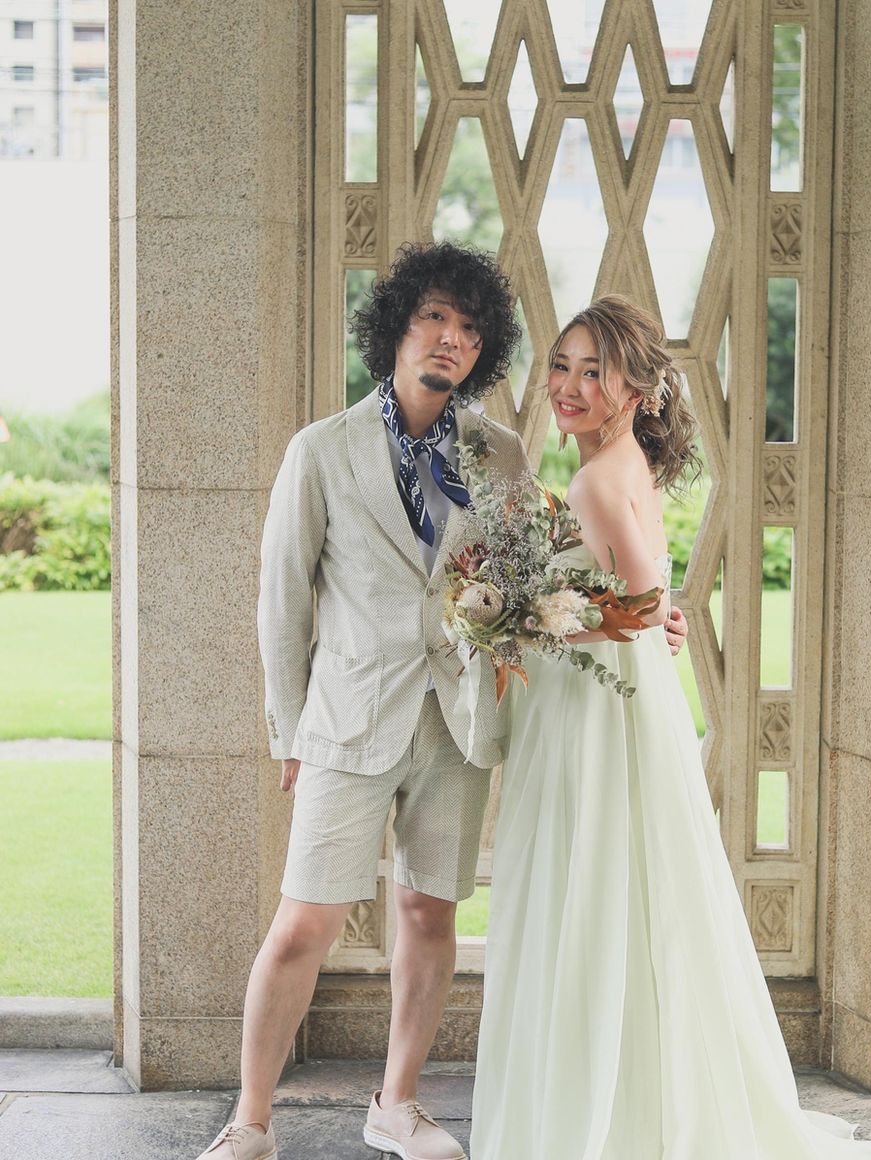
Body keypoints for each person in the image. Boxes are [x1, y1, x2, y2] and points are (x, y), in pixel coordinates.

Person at [470, 296, 871, 1159]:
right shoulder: (622, 464)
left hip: (593, 723)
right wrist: (598, 611)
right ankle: (627, 1096)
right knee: (624, 892)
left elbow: (639, 605)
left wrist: (522, 617)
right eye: (561, 365)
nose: (568, 385)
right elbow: (645, 600)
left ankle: (592, 1115)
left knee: (590, 887)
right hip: (614, 705)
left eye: (594, 372)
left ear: (636, 390)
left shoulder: (596, 479)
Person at [197, 246, 687, 1160]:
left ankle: (397, 1105)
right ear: (397, 327)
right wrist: (288, 732)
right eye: (433, 318)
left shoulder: (500, 453)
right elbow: (282, 600)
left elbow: (550, 576)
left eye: (467, 327)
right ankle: (249, 1122)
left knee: (429, 915)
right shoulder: (321, 450)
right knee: (303, 923)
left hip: (459, 723)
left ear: (483, 346)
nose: (450, 339)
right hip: (346, 723)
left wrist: (646, 615)